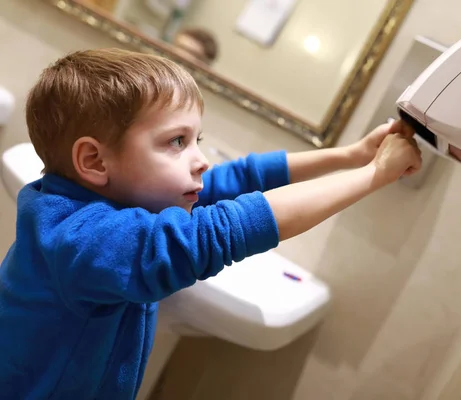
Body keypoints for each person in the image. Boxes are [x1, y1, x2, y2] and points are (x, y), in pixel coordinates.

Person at [0, 48, 421, 399]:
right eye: (176, 141)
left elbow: (235, 180)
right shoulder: (81, 239)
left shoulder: (104, 200)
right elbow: (222, 231)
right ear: (94, 160)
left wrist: (351, 156)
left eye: (195, 140)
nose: (200, 160)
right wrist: (374, 177)